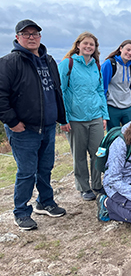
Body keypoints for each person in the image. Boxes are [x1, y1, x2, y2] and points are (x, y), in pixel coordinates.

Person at [0, 19, 66, 230]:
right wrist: (12, 121)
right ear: (17, 37)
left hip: (47, 126)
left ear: (40, 37)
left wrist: (61, 118)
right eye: (26, 33)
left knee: (45, 168)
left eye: (35, 33)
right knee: (27, 171)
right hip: (24, 129)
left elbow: (56, 91)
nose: (31, 37)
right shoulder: (9, 62)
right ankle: (21, 212)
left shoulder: (49, 61)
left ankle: (45, 202)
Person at [58, 32, 109, 201]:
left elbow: (100, 91)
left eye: (92, 45)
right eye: (85, 43)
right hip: (75, 118)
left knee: (98, 153)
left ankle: (96, 184)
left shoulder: (96, 66)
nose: (88, 47)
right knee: (79, 155)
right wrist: (63, 119)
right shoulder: (68, 64)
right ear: (78, 45)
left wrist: (104, 115)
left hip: (95, 116)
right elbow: (61, 91)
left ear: (95, 48)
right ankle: (83, 187)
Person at [101, 40, 131, 131]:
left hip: (128, 107)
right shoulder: (110, 64)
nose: (130, 53)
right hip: (112, 107)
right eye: (128, 50)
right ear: (121, 49)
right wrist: (104, 109)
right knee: (113, 136)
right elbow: (102, 88)